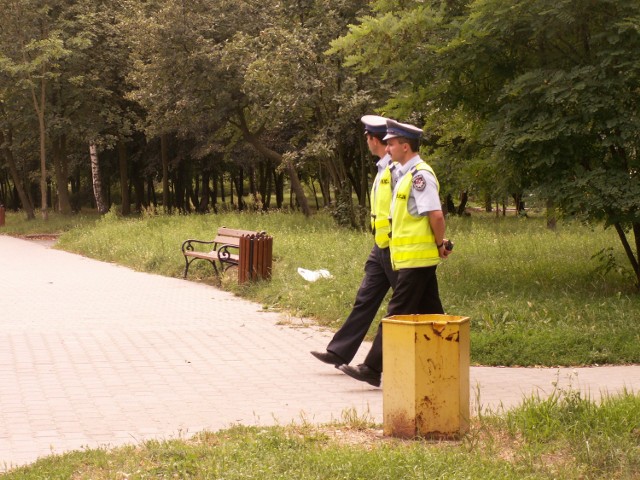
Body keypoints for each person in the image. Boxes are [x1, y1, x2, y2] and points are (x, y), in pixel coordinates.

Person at [339, 119, 452, 387]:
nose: (387, 147)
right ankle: (446, 360)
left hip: (417, 259)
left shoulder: (420, 175)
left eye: (391, 143)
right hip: (411, 259)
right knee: (432, 312)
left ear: (405, 145)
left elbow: (435, 215)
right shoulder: (405, 175)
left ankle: (372, 367)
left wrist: (438, 244)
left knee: (396, 313)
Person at [310, 115, 399, 368]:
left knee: (409, 304)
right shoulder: (383, 168)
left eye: (368, 138)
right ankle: (339, 352)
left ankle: (376, 365)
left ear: (374, 139)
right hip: (380, 247)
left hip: (395, 248)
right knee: (365, 298)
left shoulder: (394, 170)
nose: (367, 143)